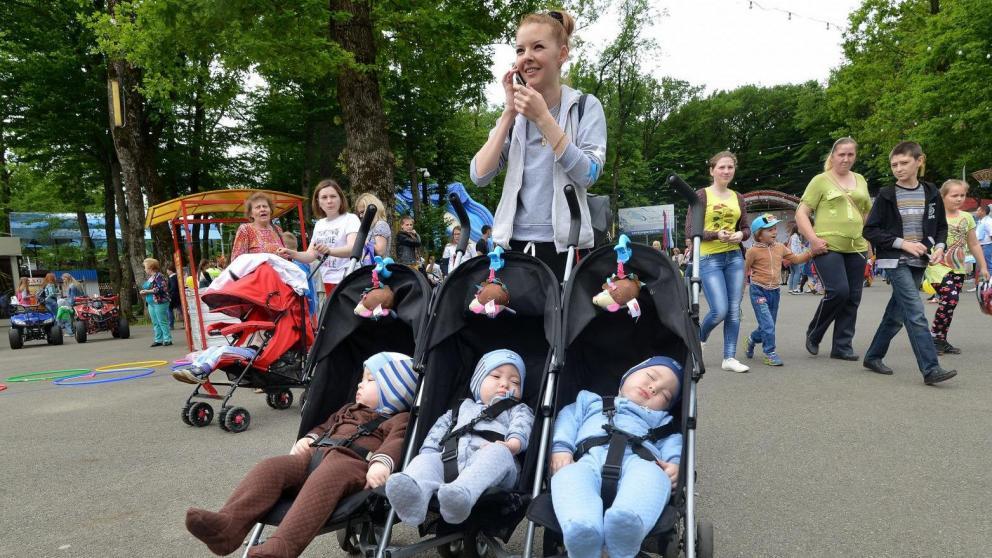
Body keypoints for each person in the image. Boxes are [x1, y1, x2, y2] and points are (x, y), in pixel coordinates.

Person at [184, 352, 416, 558]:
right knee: (271, 468)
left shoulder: (399, 419)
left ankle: (281, 548)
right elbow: (324, 427)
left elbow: (397, 443)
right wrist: (309, 438)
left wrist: (382, 463)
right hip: (314, 456)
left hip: (352, 465)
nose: (360, 384)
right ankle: (227, 527)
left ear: (393, 390)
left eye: (370, 380)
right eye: (362, 378)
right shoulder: (347, 410)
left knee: (330, 473)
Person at [469, 10, 607, 280]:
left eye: (538, 47)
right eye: (520, 50)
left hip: (567, 248)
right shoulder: (515, 115)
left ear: (562, 54)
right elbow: (479, 176)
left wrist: (544, 118)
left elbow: (589, 173)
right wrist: (509, 111)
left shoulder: (584, 107)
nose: (526, 57)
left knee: (561, 323)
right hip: (511, 246)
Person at [549, 357, 683, 558]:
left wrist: (675, 464)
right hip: (587, 459)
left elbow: (674, 442)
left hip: (640, 463)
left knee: (653, 477)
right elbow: (567, 420)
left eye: (665, 395)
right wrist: (561, 448)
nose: (653, 387)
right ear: (625, 377)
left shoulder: (663, 421)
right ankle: (582, 529)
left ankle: (626, 528)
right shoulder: (589, 401)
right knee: (569, 476)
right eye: (650, 376)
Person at [385, 350, 533, 526]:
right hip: (450, 458)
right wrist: (428, 453)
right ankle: (414, 497)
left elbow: (522, 426)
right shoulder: (460, 407)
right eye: (496, 376)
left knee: (497, 453)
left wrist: (512, 445)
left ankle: (462, 496)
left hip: (496, 464)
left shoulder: (518, 409)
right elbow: (437, 431)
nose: (505, 384)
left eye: (515, 381)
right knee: (425, 461)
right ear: (478, 382)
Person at [862, 141, 955, 385]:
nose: (899, 168)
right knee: (915, 313)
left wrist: (939, 247)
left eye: (904, 163)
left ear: (919, 161)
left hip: (919, 261)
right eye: (894, 165)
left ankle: (872, 356)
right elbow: (870, 230)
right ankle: (931, 368)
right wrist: (903, 244)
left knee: (897, 315)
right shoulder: (886, 194)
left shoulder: (932, 191)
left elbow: (940, 227)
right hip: (895, 261)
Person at [795, 137, 871, 360]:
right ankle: (815, 332)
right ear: (833, 155)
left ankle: (842, 346)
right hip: (827, 246)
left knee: (853, 297)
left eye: (850, 154)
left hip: (856, 246)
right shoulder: (821, 180)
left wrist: (866, 237)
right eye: (841, 154)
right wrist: (813, 239)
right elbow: (801, 213)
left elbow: (866, 212)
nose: (846, 159)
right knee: (839, 291)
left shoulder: (860, 179)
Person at [685, 151, 751, 373]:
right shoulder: (701, 196)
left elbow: (746, 228)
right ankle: (700, 339)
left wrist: (740, 235)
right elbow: (690, 230)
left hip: (734, 257)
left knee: (734, 309)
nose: (726, 171)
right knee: (720, 309)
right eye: (721, 167)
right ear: (712, 170)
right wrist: (716, 235)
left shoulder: (738, 197)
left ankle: (729, 357)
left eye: (730, 167)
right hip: (708, 257)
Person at [926, 180, 990, 355]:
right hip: (937, 266)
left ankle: (941, 338)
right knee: (951, 297)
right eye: (954, 195)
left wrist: (983, 267)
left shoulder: (967, 217)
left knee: (950, 304)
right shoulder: (934, 217)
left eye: (962, 195)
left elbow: (974, 244)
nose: (959, 199)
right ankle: (933, 338)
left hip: (958, 267)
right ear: (943, 196)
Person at [743, 215, 813, 367]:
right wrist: (741, 289)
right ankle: (770, 353)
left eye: (775, 229)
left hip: (774, 291)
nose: (774, 232)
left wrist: (811, 253)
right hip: (758, 291)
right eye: (770, 230)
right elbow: (745, 270)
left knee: (768, 326)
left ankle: (751, 339)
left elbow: (796, 259)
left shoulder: (780, 247)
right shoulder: (752, 251)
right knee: (768, 325)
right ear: (759, 234)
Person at [279, 179, 360, 296]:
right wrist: (291, 253)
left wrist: (329, 251)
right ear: (318, 201)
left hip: (349, 278)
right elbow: (310, 255)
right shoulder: (319, 224)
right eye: (324, 197)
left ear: (340, 198)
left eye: (333, 196)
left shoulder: (350, 218)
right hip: (328, 280)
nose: (329, 201)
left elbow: (353, 249)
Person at [231, 192, 287, 261]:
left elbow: (285, 255)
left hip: (278, 271)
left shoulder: (278, 230)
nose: (262, 209)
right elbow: (237, 260)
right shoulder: (245, 229)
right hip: (257, 271)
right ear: (251, 214)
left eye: (265, 206)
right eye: (258, 207)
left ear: (270, 210)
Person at [281, 231, 319, 322]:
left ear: (285, 248)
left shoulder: (294, 265)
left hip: (304, 304)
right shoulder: (302, 262)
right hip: (311, 302)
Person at [139, 258, 172, 347]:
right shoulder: (151, 278)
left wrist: (147, 292)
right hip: (151, 303)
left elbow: (161, 289)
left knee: (162, 321)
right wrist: (145, 291)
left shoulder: (159, 276)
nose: (145, 269)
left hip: (160, 302)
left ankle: (167, 339)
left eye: (145, 267)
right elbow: (148, 287)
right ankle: (158, 340)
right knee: (155, 322)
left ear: (150, 267)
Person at [354, 192, 392, 265]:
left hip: (379, 270)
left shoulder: (380, 224)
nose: (361, 216)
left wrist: (362, 240)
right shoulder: (371, 227)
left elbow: (380, 250)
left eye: (362, 212)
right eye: (359, 214)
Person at [976, 203, 992, 286]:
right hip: (980, 246)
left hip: (987, 246)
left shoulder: (989, 221)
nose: (976, 212)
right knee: (980, 266)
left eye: (978, 210)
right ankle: (980, 285)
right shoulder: (980, 221)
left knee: (988, 266)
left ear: (983, 212)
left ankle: (989, 284)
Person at [787, 224, 805, 294]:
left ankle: (791, 289)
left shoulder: (792, 236)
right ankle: (795, 289)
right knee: (797, 272)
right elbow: (794, 247)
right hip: (795, 256)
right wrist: (796, 257)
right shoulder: (795, 236)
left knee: (793, 273)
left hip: (791, 256)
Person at [166, 263, 182, 330]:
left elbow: (173, 287)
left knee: (169, 309)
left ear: (170, 270)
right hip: (178, 296)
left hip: (173, 296)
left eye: (167, 270)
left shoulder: (172, 277)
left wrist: (168, 292)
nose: (167, 272)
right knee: (181, 309)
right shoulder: (177, 276)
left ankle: (171, 325)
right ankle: (187, 322)